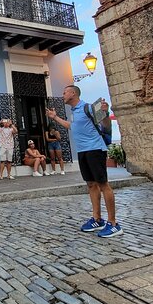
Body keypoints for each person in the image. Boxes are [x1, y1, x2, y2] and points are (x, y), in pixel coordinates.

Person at [46, 85, 123, 237]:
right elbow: (72, 127)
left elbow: (105, 124)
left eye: (64, 92)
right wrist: (54, 117)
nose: (62, 95)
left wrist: (105, 113)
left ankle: (113, 223)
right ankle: (97, 219)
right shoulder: (74, 112)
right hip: (83, 151)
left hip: (95, 149)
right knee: (91, 184)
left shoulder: (88, 107)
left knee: (103, 184)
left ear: (73, 93)